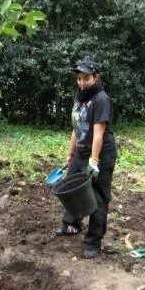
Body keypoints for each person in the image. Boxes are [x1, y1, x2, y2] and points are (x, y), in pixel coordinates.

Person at [55, 57, 117, 259]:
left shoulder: (101, 99)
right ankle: (72, 225)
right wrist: (70, 153)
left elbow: (98, 133)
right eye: (79, 78)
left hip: (100, 154)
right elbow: (76, 128)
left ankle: (93, 241)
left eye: (86, 78)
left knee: (98, 197)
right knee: (70, 188)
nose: (82, 82)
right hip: (81, 152)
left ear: (96, 77)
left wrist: (94, 160)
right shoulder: (80, 97)